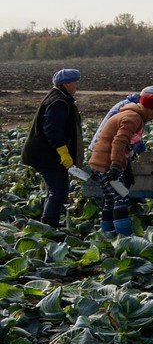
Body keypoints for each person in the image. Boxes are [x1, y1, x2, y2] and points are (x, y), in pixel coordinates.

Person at [87, 87, 153, 236]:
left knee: (111, 200)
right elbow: (119, 142)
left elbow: (128, 147)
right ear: (148, 109)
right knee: (121, 198)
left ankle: (108, 236)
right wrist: (116, 166)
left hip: (103, 163)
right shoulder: (133, 118)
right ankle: (123, 237)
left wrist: (126, 166)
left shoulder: (134, 115)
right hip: (106, 164)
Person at [22, 69, 84, 228]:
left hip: (48, 155)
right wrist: (63, 153)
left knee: (56, 190)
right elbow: (52, 130)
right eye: (74, 83)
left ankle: (49, 223)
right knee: (58, 190)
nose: (76, 86)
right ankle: (49, 227)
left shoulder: (61, 97)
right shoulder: (58, 102)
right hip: (45, 155)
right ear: (65, 84)